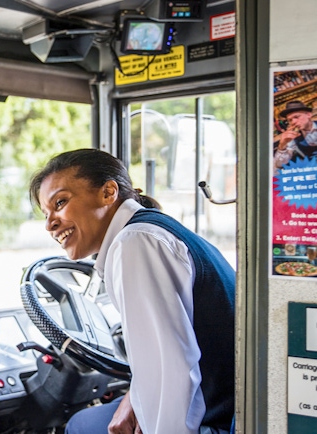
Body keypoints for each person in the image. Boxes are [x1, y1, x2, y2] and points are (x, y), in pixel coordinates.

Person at [29, 149, 235, 434]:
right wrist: (134, 396)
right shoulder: (148, 230)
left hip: (218, 418)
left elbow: (171, 371)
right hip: (226, 404)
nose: (50, 224)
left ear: (108, 193)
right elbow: (163, 357)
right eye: (46, 213)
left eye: (60, 202)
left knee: (79, 426)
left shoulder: (135, 243)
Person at [273, 100, 317, 174]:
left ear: (309, 115)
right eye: (290, 120)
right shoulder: (294, 137)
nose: (293, 122)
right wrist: (282, 145)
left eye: (296, 117)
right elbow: (279, 164)